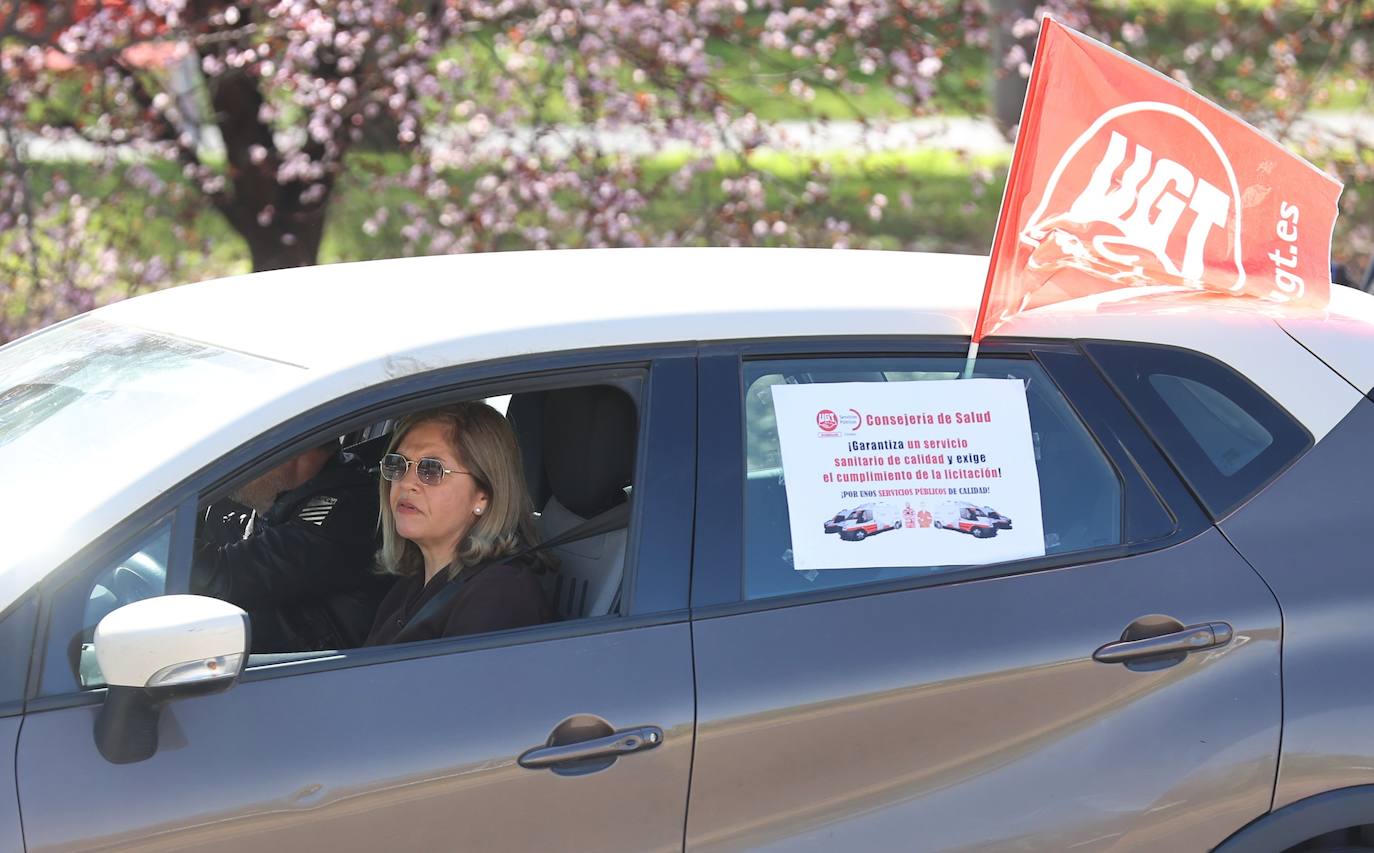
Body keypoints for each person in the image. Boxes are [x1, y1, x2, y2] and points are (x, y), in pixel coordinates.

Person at [365, 401, 553, 646]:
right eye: (398, 465)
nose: (406, 482)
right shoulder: (411, 584)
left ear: (483, 496)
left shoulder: (499, 595)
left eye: (431, 469)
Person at [191, 439, 388, 652]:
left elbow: (224, 577)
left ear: (293, 449)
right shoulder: (293, 497)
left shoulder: (346, 515)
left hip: (316, 674)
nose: (233, 467)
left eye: (246, 451)